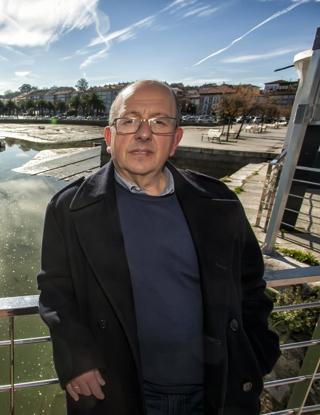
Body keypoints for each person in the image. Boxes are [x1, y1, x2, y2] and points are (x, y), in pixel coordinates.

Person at [37, 80, 280, 415]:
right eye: (129, 120)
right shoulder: (69, 208)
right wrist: (76, 359)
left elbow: (251, 286)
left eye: (159, 122)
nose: (143, 133)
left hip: (216, 392)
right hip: (117, 393)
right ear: (110, 138)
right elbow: (56, 291)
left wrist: (256, 356)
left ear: (175, 140)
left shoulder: (219, 202)